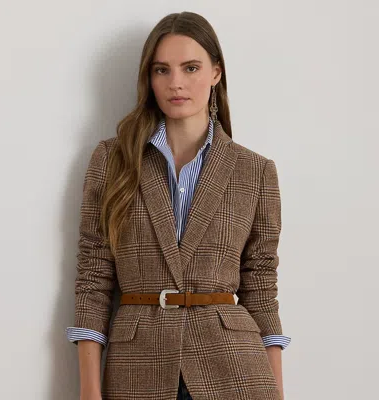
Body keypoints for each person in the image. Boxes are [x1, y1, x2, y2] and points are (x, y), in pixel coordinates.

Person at [66, 11, 291, 400]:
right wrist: (89, 389)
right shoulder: (113, 160)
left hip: (235, 370)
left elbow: (260, 284)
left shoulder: (255, 171)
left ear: (216, 73)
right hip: (139, 369)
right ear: (149, 78)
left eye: (191, 68)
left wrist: (277, 390)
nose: (176, 83)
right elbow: (93, 275)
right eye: (162, 70)